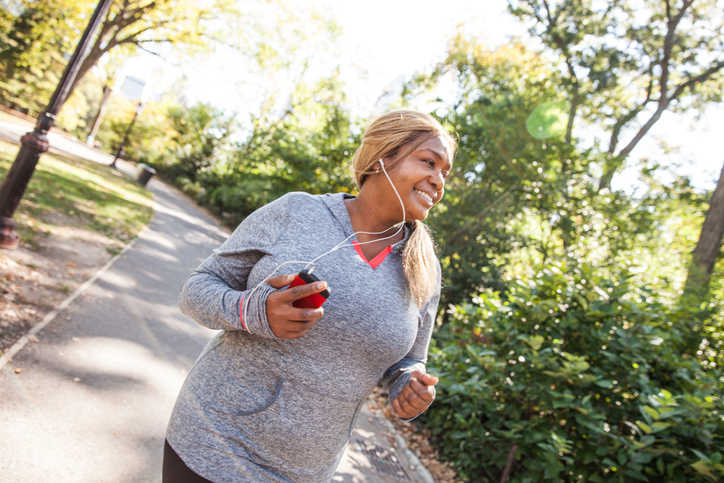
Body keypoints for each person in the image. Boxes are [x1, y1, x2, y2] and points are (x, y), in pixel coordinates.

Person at [163, 109, 457, 482]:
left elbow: (411, 359)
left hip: (307, 470)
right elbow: (196, 289)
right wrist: (253, 311)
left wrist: (409, 384)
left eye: (445, 173)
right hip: (216, 441)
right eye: (429, 162)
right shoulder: (296, 211)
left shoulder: (425, 267)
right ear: (384, 157)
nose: (438, 180)